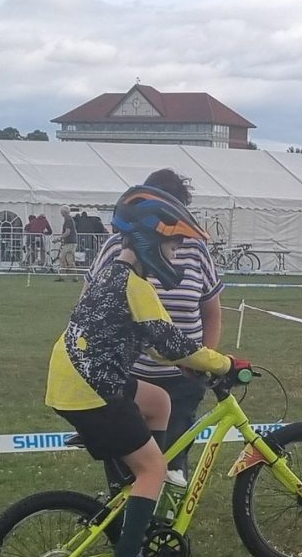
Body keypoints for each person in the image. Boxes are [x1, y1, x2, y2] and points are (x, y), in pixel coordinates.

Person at [46, 180, 243, 557]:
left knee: (157, 402)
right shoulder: (136, 287)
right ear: (150, 242)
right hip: (93, 388)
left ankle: (136, 487)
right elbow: (171, 343)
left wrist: (183, 361)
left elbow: (151, 344)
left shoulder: (114, 275)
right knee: (152, 467)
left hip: (78, 378)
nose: (175, 255)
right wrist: (224, 363)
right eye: (172, 246)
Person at [89, 170, 224, 484]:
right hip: (128, 378)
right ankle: (130, 517)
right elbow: (93, 310)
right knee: (132, 471)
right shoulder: (119, 253)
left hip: (181, 383)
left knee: (171, 468)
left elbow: (211, 313)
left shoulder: (196, 250)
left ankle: (158, 517)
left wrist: (203, 363)